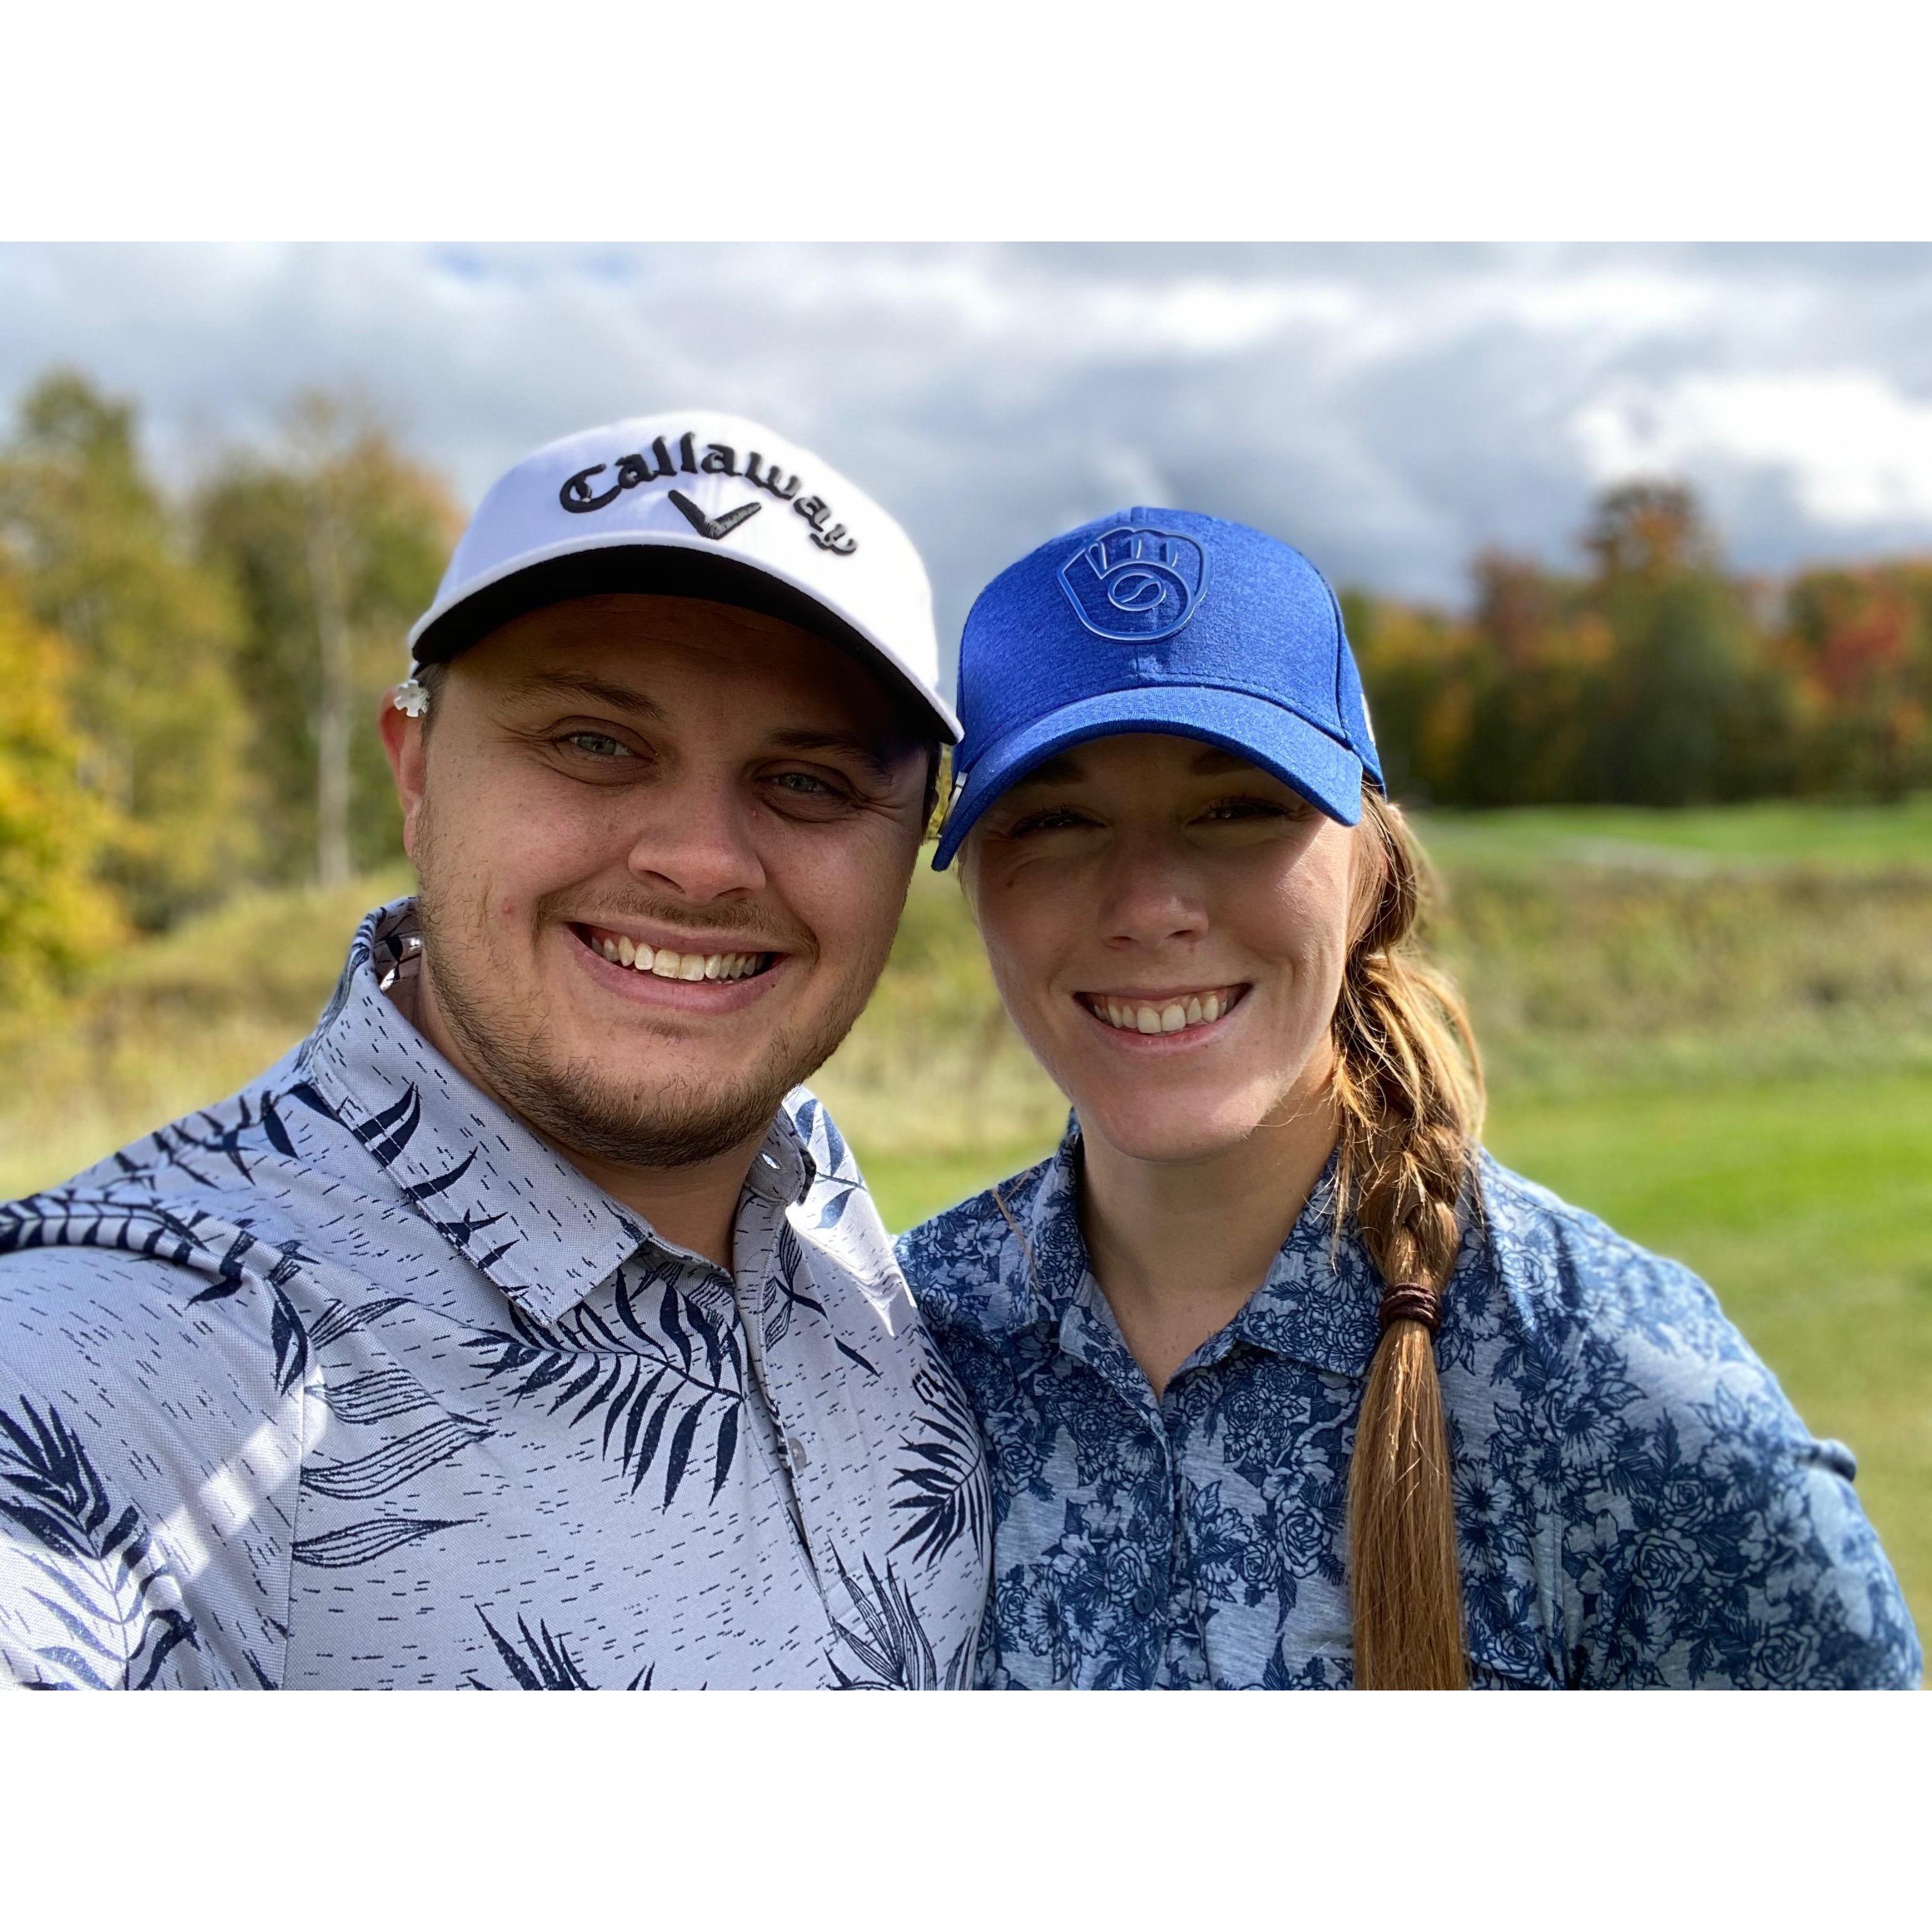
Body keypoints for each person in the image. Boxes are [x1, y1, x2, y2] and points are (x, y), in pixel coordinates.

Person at [0, 412, 989, 1689]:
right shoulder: (137, 1347)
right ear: (413, 771)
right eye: (592, 742)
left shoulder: (816, 1201)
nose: (699, 856)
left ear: (909, 839)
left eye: (808, 780)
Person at [897, 509, 1921, 1690]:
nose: (1151, 904)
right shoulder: (895, 1360)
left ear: (1371, 862)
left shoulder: (1624, 1397)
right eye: (1059, 820)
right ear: (975, 884)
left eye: (1238, 808)